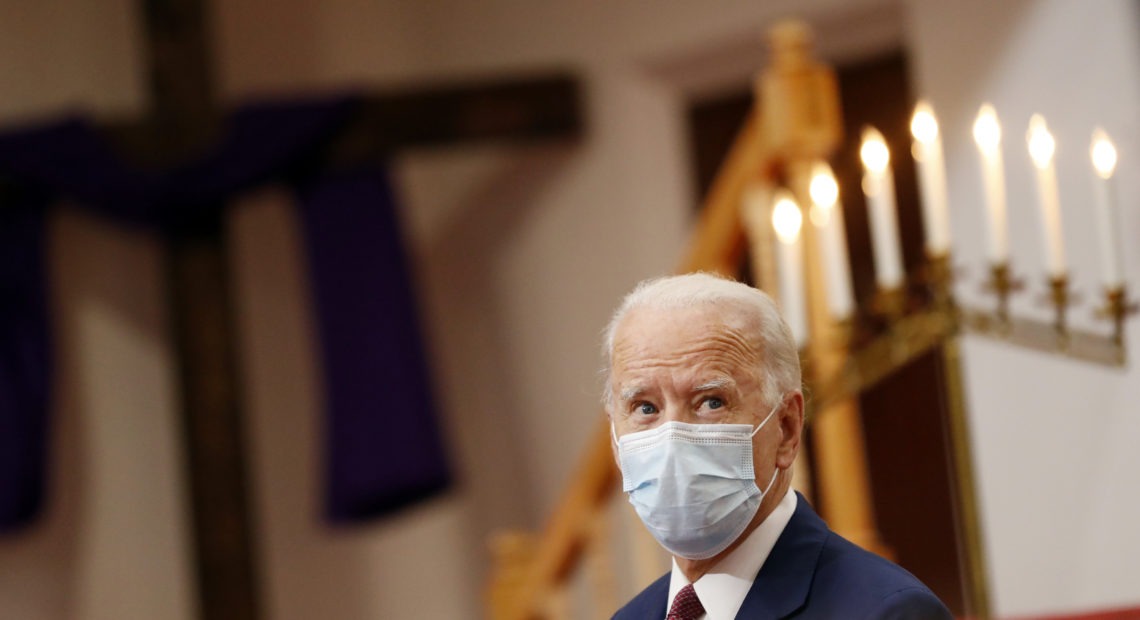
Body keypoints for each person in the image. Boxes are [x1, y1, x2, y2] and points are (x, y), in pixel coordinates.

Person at [604, 273, 952, 620]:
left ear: (785, 428)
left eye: (711, 402)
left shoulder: (888, 611)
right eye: (645, 408)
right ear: (616, 442)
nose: (672, 439)